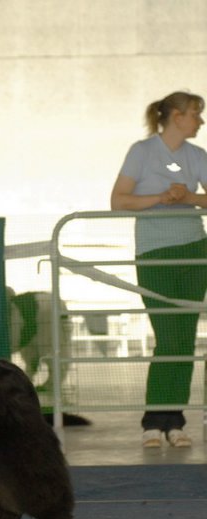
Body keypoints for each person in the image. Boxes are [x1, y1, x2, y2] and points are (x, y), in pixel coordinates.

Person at [111, 90, 207, 449]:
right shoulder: (141, 152)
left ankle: (175, 421)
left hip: (194, 252)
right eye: (195, 114)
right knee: (168, 336)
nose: (200, 121)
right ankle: (154, 420)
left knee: (184, 339)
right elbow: (118, 200)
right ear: (176, 116)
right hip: (154, 253)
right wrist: (160, 198)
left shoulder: (197, 156)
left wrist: (189, 197)